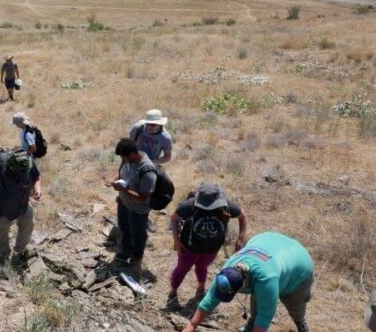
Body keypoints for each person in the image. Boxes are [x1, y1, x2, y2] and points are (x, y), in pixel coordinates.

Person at [184, 232, 314, 332]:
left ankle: (301, 325)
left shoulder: (266, 279)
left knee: (294, 306)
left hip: (299, 266)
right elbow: (211, 298)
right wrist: (192, 325)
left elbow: (265, 316)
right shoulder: (229, 267)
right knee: (259, 296)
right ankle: (251, 323)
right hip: (268, 242)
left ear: (243, 285)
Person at [168, 183, 248, 308]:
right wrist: (177, 241)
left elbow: (242, 217)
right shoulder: (190, 205)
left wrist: (241, 239)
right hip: (189, 247)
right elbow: (174, 218)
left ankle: (201, 287)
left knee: (202, 266)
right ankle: (173, 291)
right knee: (182, 269)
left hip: (212, 248)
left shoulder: (226, 205)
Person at [0, 149, 42, 265]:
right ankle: (4, 257)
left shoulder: (28, 162)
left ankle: (19, 251)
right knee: (1, 232)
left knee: (29, 223)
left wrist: (37, 189)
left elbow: (36, 176)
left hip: (22, 205)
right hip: (0, 209)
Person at [104, 138, 157, 272]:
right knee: (125, 230)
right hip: (123, 204)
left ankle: (136, 258)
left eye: (124, 157)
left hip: (138, 211)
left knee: (138, 236)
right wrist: (113, 179)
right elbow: (121, 170)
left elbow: (144, 198)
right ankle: (124, 252)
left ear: (132, 154)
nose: (123, 159)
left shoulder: (147, 171)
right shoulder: (128, 159)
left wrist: (122, 190)